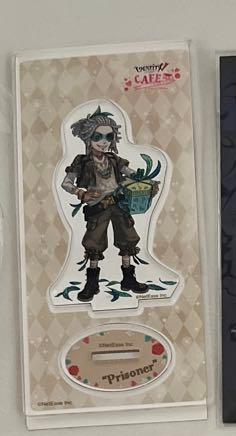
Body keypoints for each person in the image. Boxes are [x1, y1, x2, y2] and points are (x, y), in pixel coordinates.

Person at [61, 107, 155, 302]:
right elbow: (66, 183)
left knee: (127, 237)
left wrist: (141, 178)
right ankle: (92, 283)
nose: (104, 141)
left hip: (118, 203)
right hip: (98, 206)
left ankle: (128, 278)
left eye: (108, 136)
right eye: (98, 137)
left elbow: (130, 173)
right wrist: (81, 193)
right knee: (94, 241)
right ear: (88, 137)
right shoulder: (83, 161)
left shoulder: (113, 159)